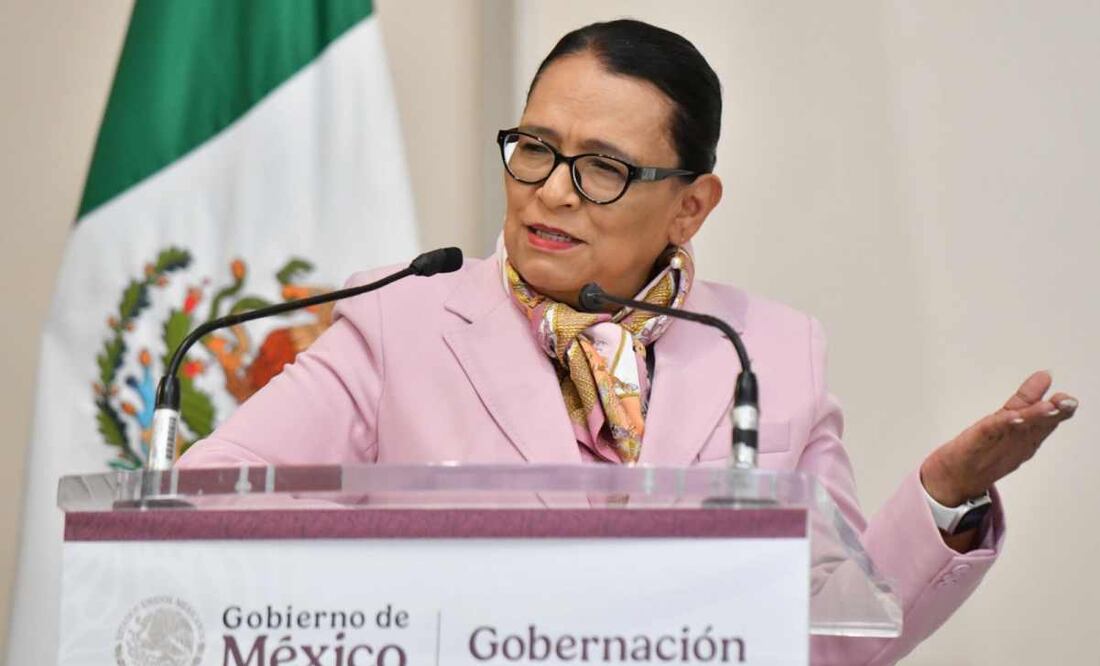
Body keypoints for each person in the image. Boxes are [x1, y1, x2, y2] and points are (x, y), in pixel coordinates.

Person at [179, 19, 1078, 664]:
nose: (552, 191)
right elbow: (201, 504)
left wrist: (946, 494)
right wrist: (424, 592)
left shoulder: (768, 353)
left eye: (603, 168)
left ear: (691, 206)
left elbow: (831, 636)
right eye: (535, 148)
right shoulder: (401, 325)